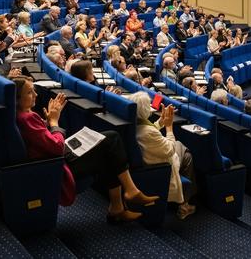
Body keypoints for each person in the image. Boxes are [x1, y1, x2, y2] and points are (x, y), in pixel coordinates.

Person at [13, 75, 160, 222]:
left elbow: (40, 138)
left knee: (107, 148)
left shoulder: (24, 114)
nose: (36, 95)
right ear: (17, 98)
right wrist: (54, 122)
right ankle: (130, 192)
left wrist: (47, 122)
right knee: (111, 139)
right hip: (58, 167)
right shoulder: (26, 118)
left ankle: (118, 207)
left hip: (56, 159)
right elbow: (57, 147)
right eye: (30, 92)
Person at [128, 91, 196, 219]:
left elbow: (149, 130)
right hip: (159, 165)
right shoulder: (148, 132)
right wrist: (169, 127)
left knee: (180, 145)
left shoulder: (133, 123)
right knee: (186, 154)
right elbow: (170, 149)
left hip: (149, 155)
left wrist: (161, 122)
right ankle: (184, 204)